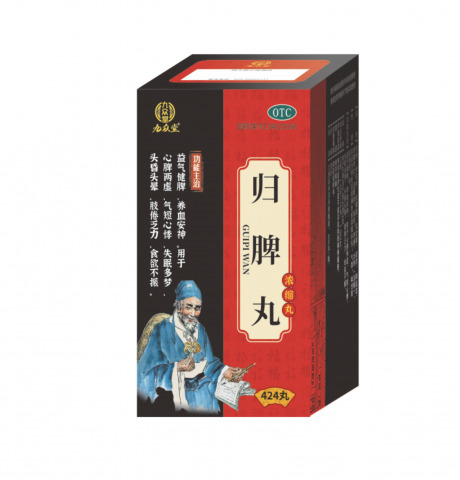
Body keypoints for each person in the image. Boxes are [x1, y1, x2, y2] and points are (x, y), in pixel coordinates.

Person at [137, 280, 245, 413]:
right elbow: (143, 375)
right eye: (188, 307)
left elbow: (209, 363)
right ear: (178, 306)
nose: (193, 314)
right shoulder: (162, 330)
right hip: (175, 397)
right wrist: (176, 368)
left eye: (197, 308)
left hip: (204, 397)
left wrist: (225, 371)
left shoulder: (201, 330)